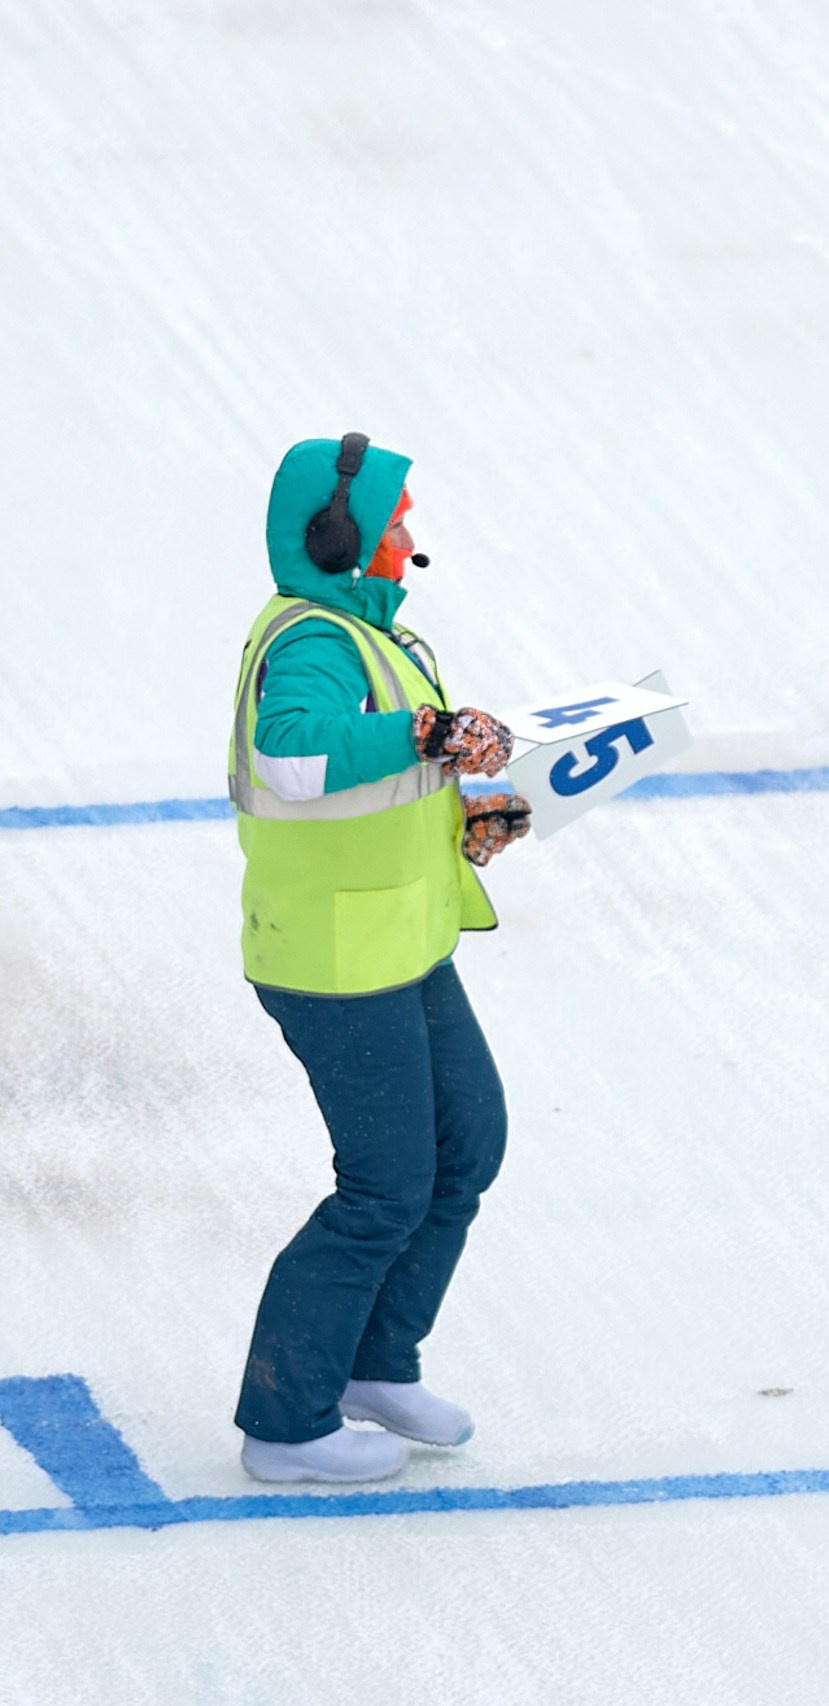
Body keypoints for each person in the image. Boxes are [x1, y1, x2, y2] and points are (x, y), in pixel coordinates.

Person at [227, 432, 533, 1483]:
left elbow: (382, 786)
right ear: (342, 535)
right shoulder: (311, 643)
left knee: (467, 1142)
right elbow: (296, 759)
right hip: (332, 959)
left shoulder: (373, 635)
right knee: (386, 1185)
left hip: (398, 939)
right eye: (394, 518)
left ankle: (373, 1360)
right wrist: (427, 735)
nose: (409, 535)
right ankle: (285, 1419)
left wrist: (470, 814)